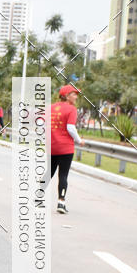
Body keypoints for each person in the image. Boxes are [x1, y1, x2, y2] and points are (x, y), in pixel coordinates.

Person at [50, 84, 85, 214]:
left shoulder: (51, 108)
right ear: (66, 96)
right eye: (74, 94)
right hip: (65, 148)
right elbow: (70, 128)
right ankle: (61, 202)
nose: (76, 97)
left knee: (49, 173)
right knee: (63, 175)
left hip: (52, 146)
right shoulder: (71, 109)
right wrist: (79, 140)